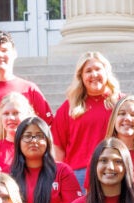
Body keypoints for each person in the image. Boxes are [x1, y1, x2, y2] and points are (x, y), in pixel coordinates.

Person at [52, 52, 123, 186]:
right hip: (79, 174)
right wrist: (59, 177)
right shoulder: (69, 108)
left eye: (98, 69)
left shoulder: (121, 103)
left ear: (106, 72)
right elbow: (58, 148)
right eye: (88, 71)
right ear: (81, 77)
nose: (94, 74)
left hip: (114, 170)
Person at [10, 117, 83, 203]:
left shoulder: (62, 172)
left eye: (39, 136)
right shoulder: (8, 175)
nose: (34, 140)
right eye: (27, 136)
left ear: (48, 141)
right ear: (18, 141)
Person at [0, 92, 34, 171]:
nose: (11, 118)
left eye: (16, 113)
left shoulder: (37, 147)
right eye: (6, 114)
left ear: (27, 115)